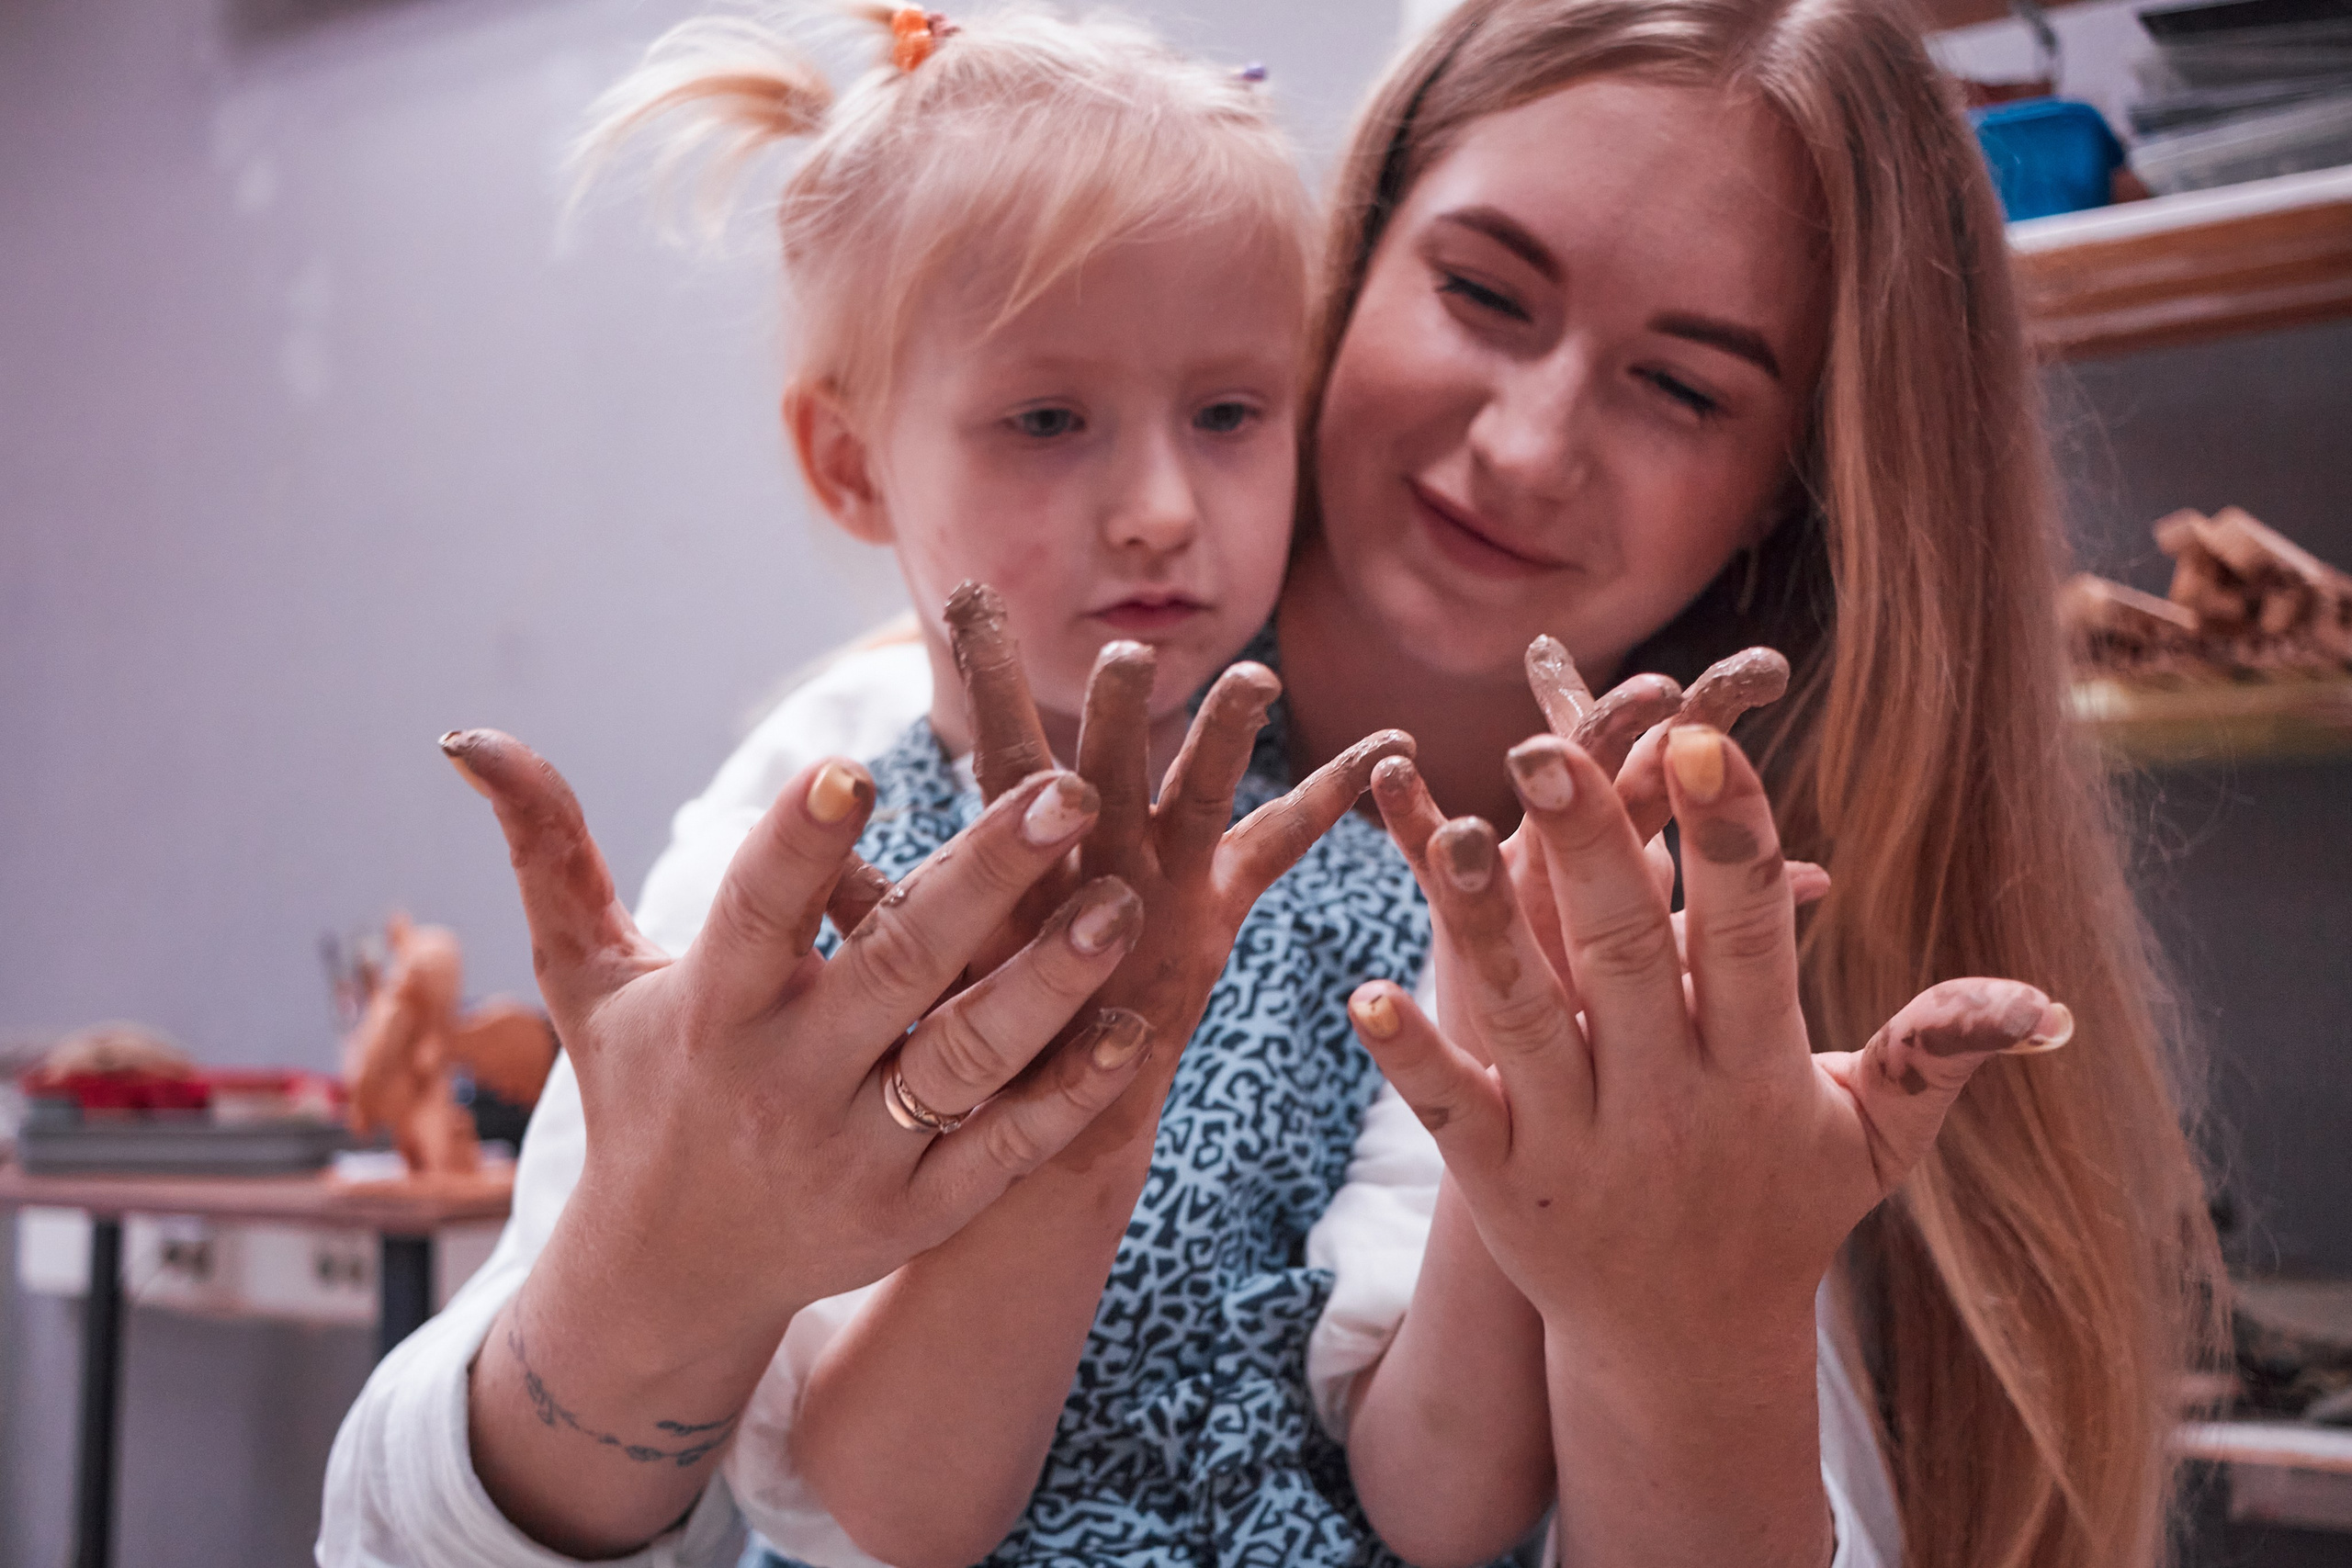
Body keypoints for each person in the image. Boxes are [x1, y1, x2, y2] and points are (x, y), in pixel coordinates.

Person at [318, 6, 1413, 1563]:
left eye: (1230, 412)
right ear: (849, 464)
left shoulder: (1362, 847)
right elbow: (795, 1475)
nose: (1166, 509)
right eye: (1048, 419)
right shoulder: (805, 829)